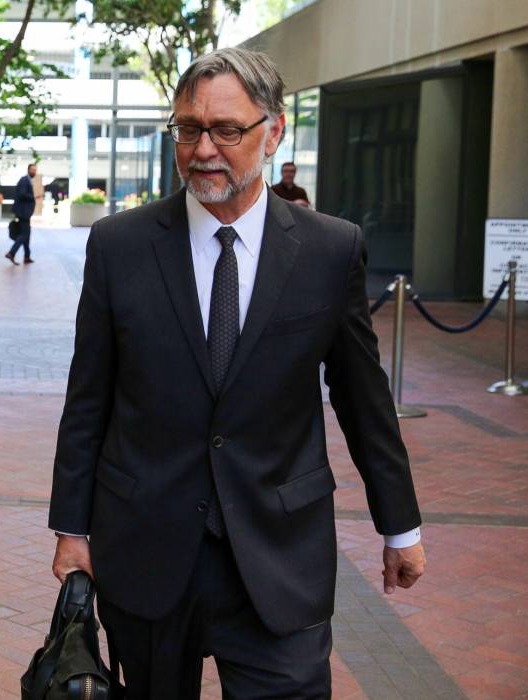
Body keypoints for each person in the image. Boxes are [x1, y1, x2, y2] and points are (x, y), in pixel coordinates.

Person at [49, 48, 426, 698]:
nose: (202, 149)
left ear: (273, 131)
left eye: (226, 130)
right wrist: (71, 530)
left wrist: (401, 526)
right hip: (148, 544)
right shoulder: (120, 246)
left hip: (280, 551)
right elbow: (89, 399)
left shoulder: (330, 250)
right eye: (189, 128)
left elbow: (363, 400)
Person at [6, 163, 37, 265]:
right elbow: (22, 194)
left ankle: (27, 256)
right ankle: (11, 252)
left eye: (35, 170)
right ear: (28, 170)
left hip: (25, 213)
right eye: (32, 170)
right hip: (23, 213)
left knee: (26, 235)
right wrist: (33, 197)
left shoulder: (27, 180)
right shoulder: (24, 180)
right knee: (24, 234)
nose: (34, 172)